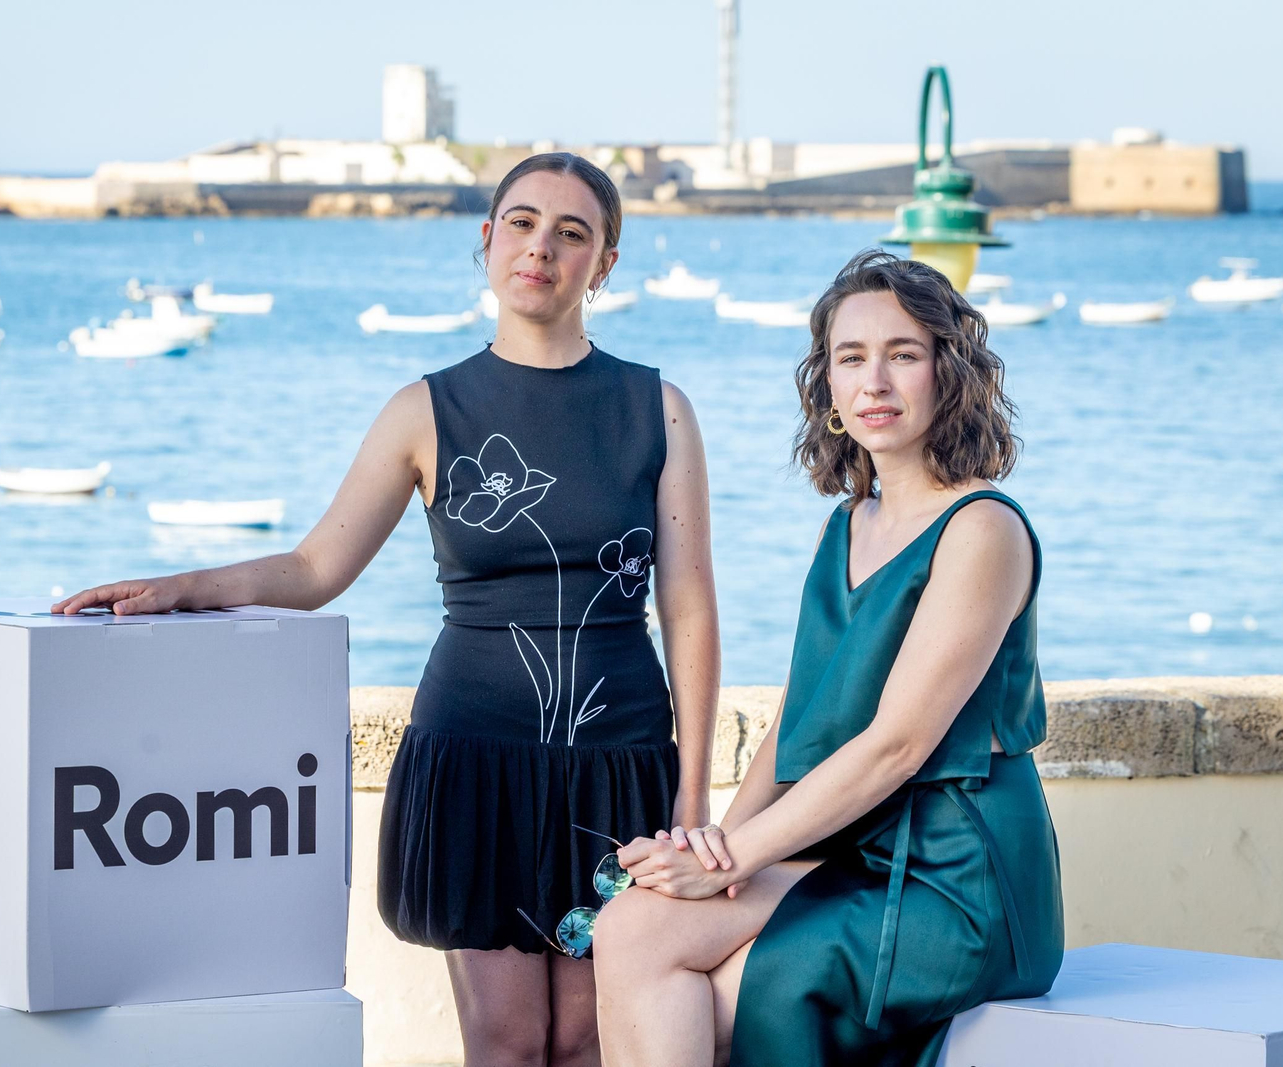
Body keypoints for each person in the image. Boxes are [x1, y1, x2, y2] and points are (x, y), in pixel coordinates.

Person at [53, 152, 720, 1067]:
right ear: (485, 242)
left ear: (603, 264)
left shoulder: (660, 408)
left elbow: (688, 605)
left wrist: (690, 792)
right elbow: (317, 564)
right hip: (476, 757)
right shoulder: (425, 409)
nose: (541, 248)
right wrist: (181, 586)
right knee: (508, 1037)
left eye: (573, 233)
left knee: (590, 1037)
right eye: (521, 223)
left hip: (622, 763)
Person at [593, 250, 1064, 1067]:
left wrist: (736, 859)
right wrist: (708, 853)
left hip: (958, 881)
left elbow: (898, 743)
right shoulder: (845, 526)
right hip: (854, 853)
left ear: (948, 373)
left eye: (903, 354)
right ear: (830, 387)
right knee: (635, 919)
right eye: (851, 358)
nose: (874, 380)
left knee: (716, 989)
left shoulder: (982, 528)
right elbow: (796, 722)